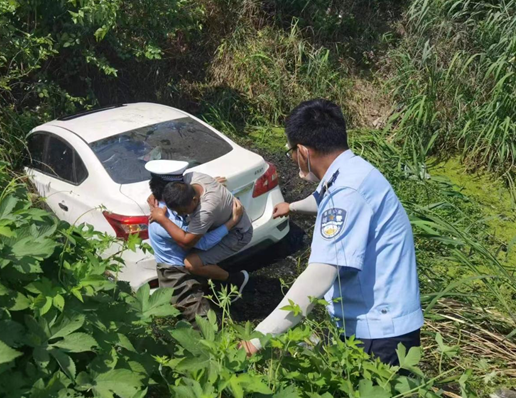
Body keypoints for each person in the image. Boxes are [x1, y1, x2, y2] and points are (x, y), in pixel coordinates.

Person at [240, 98, 424, 367]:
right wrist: (291, 206)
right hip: (385, 320)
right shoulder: (351, 170)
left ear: (303, 151)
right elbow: (324, 196)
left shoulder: (347, 194)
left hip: (378, 331)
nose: (292, 157)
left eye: (291, 151)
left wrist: (257, 340)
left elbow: (318, 278)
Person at [148, 163, 252, 292]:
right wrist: (154, 195)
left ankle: (235, 281)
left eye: (184, 211)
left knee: (192, 263)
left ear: (194, 200)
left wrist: (162, 219)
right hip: (217, 223)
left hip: (237, 232)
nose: (181, 215)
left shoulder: (204, 211)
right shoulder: (190, 178)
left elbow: (190, 243)